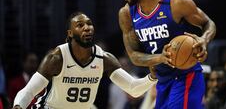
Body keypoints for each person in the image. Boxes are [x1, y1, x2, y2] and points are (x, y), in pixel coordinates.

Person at [12, 12, 157, 109]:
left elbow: (133, 88)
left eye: (89, 24)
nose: (87, 28)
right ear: (70, 33)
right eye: (80, 25)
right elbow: (29, 91)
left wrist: (152, 77)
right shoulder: (57, 58)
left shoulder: (104, 58)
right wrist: (18, 106)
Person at [118, 0, 216, 108]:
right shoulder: (127, 14)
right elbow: (134, 56)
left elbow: (208, 23)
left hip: (186, 76)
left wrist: (204, 40)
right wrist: (161, 58)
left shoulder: (176, 4)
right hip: (162, 81)